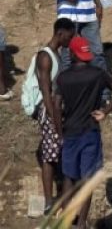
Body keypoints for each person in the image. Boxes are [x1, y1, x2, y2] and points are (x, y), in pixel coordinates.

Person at [54, 35, 112, 229]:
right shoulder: (97, 74)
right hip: (90, 132)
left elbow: (56, 105)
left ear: (71, 53)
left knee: (69, 177)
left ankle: (67, 221)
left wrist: (59, 133)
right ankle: (82, 224)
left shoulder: (63, 78)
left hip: (69, 132)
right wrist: (105, 111)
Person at [21, 18, 75, 215]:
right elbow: (46, 90)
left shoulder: (56, 55)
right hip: (48, 109)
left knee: (54, 153)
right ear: (60, 33)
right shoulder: (46, 56)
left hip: (53, 108)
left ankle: (55, 197)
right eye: (69, 36)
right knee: (49, 156)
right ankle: (48, 201)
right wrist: (54, 118)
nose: (70, 40)